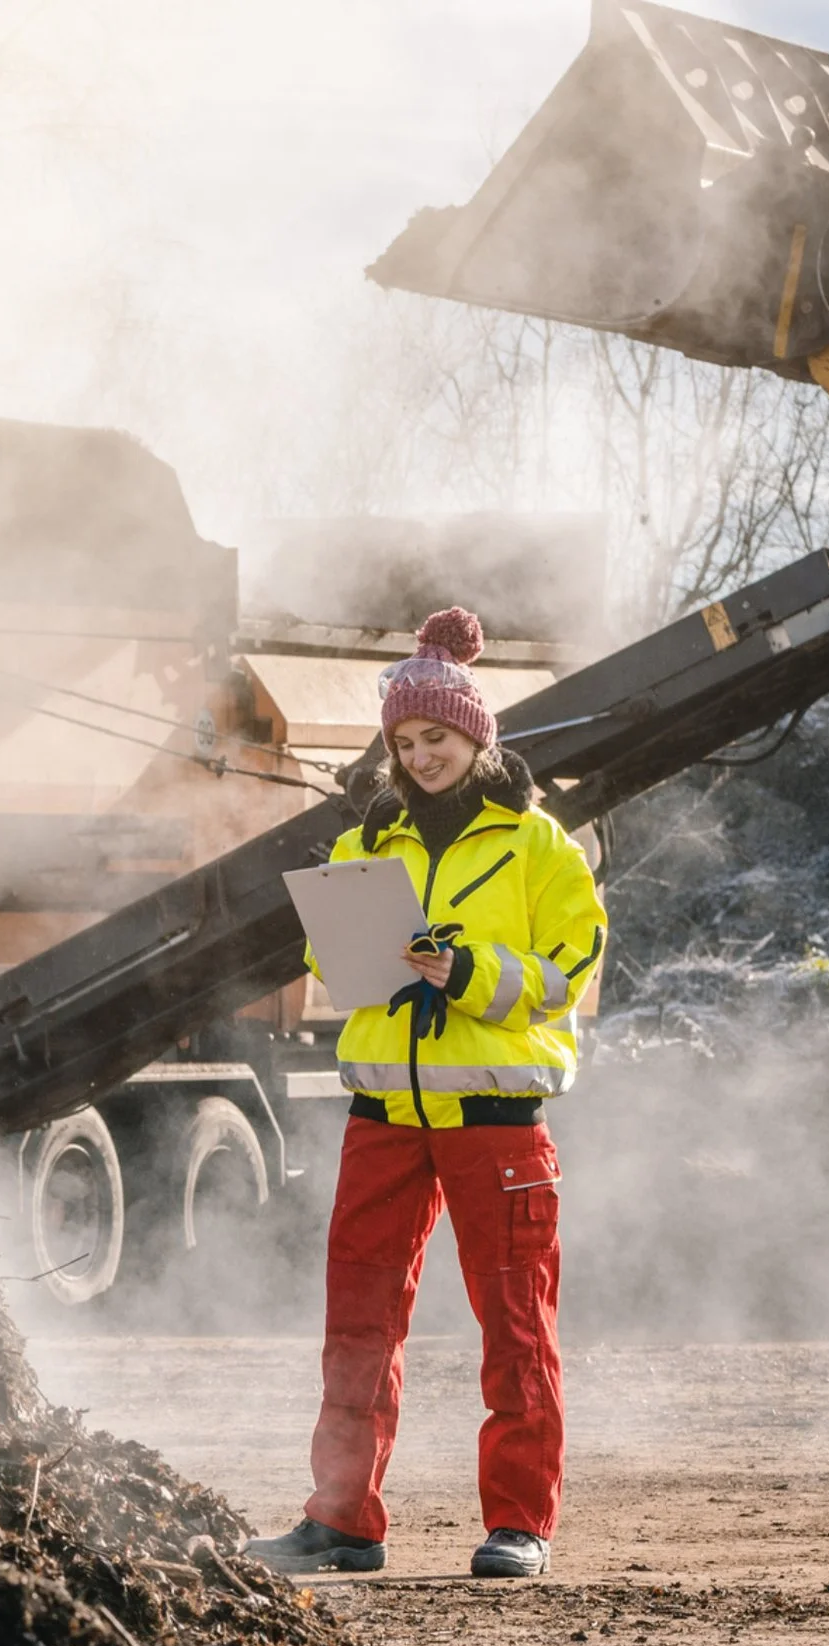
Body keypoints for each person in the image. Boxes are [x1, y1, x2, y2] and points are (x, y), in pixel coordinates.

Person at [244, 605, 606, 1580]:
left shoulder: (539, 845)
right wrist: (354, 944)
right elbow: (330, 960)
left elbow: (570, 969)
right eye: (403, 742)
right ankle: (342, 1519)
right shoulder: (371, 840)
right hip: (383, 1115)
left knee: (515, 1324)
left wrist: (470, 970)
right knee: (356, 1324)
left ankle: (520, 1523)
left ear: (475, 735)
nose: (419, 756)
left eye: (434, 737)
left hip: (496, 1119)